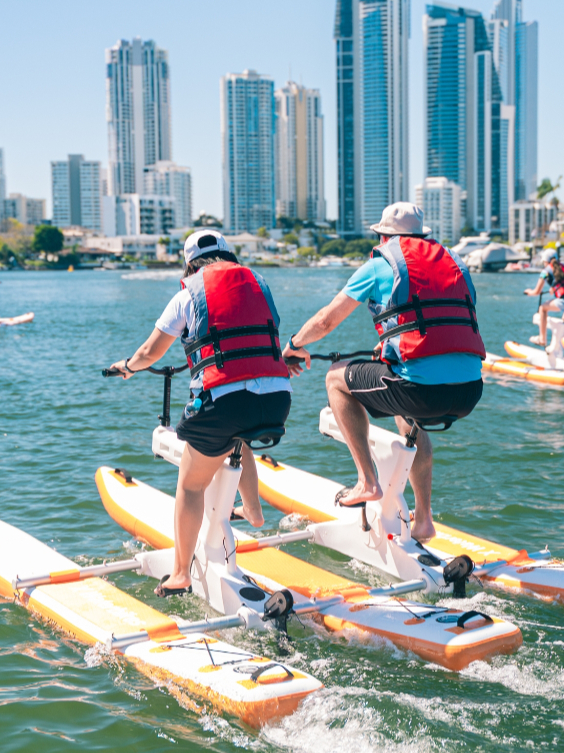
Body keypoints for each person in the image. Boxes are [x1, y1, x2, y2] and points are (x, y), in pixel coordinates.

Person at [108, 230, 302, 596]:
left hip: (225, 404)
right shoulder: (258, 284)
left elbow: (150, 352)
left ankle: (181, 573)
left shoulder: (189, 293)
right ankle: (253, 511)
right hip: (279, 398)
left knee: (191, 483)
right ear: (229, 255)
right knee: (239, 436)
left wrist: (129, 367)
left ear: (189, 264)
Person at [282, 202, 484, 544]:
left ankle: (367, 482)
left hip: (420, 391)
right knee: (408, 414)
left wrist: (293, 345)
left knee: (335, 378)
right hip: (469, 390)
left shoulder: (381, 264)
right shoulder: (453, 264)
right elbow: (440, 323)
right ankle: (424, 519)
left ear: (384, 236)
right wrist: (393, 346)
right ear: (422, 236)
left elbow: (326, 321)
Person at [523, 250, 564, 357]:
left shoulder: (545, 271)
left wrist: (529, 292)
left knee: (543, 308)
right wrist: (553, 289)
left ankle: (542, 339)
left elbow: (536, 292)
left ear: (545, 261)